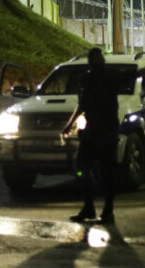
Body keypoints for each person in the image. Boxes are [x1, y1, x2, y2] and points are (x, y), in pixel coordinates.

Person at [63, 48, 119, 224]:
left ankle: (107, 211)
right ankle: (89, 207)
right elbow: (83, 104)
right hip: (93, 131)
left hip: (106, 131)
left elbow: (131, 76)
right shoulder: (87, 78)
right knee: (82, 168)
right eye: (94, 58)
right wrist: (70, 124)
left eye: (98, 57)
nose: (97, 60)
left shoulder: (109, 76)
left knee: (106, 172)